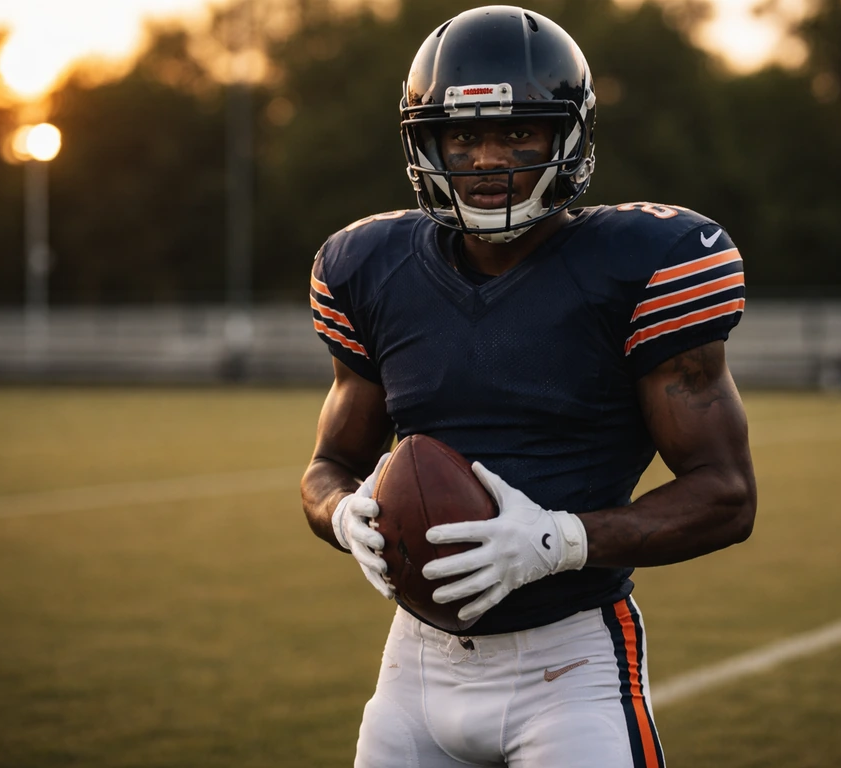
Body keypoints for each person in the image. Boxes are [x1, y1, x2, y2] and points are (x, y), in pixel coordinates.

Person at [300, 6, 756, 766]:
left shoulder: (645, 263)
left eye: (520, 133)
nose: (487, 159)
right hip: (413, 671)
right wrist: (344, 515)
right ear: (426, 143)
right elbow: (325, 469)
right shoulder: (369, 269)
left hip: (569, 669)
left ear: (568, 137)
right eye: (463, 135)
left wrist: (557, 542)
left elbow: (726, 495)